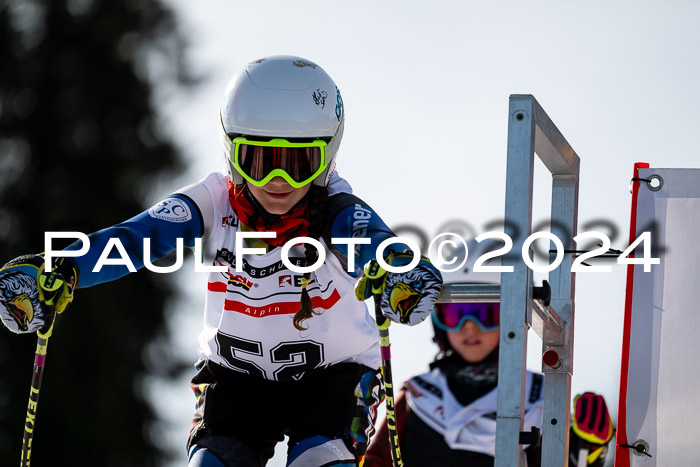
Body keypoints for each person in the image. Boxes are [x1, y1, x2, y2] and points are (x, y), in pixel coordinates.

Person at [0, 55, 443, 467]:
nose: (278, 182)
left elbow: (372, 240)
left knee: (318, 459)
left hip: (332, 377)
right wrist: (60, 268)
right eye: (261, 158)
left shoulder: (335, 208)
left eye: (299, 162)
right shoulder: (213, 202)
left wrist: (397, 272)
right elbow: (138, 238)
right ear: (232, 150)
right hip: (237, 376)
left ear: (326, 156)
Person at [363, 240, 613, 467]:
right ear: (439, 320)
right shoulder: (417, 395)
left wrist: (588, 449)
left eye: (486, 313)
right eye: (457, 314)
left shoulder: (540, 397)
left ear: (515, 318)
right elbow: (375, 460)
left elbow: (563, 461)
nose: (469, 328)